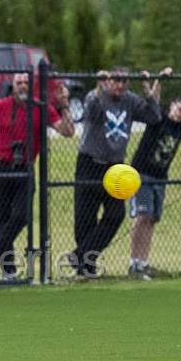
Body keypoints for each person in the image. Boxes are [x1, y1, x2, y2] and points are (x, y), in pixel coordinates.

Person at [0, 72, 73, 278]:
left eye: (25, 82)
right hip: (1, 168)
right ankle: (8, 271)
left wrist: (64, 105)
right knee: (1, 221)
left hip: (25, 168)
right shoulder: (2, 105)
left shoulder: (42, 108)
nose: (22, 86)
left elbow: (67, 131)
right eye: (18, 82)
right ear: (13, 86)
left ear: (32, 86)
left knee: (22, 216)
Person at [73, 68, 162, 278]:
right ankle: (86, 268)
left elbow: (154, 116)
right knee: (85, 219)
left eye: (124, 81)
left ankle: (80, 255)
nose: (120, 85)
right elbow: (90, 113)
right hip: (89, 162)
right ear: (108, 81)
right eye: (115, 81)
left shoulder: (130, 100)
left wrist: (148, 91)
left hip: (115, 167)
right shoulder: (96, 97)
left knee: (116, 214)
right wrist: (98, 86)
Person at [127, 67, 181, 280]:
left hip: (160, 178)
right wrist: (159, 79)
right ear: (172, 105)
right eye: (180, 108)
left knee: (151, 220)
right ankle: (134, 264)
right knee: (142, 217)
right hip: (141, 174)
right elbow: (153, 98)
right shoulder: (157, 118)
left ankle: (144, 262)